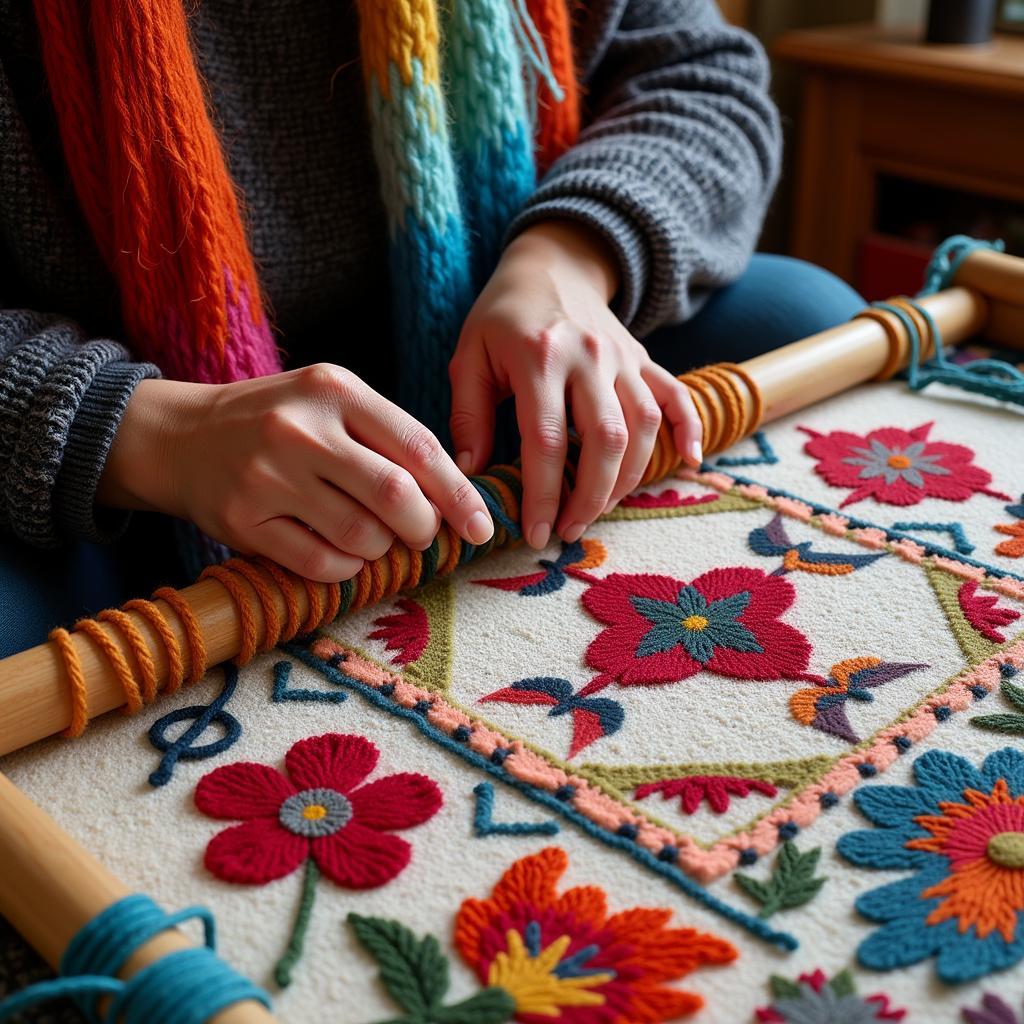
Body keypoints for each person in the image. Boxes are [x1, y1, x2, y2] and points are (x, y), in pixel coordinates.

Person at [0, 0, 863, 658]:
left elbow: (701, 79)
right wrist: (151, 435)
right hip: (121, 473)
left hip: (500, 368)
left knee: (806, 320)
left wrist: (569, 258)